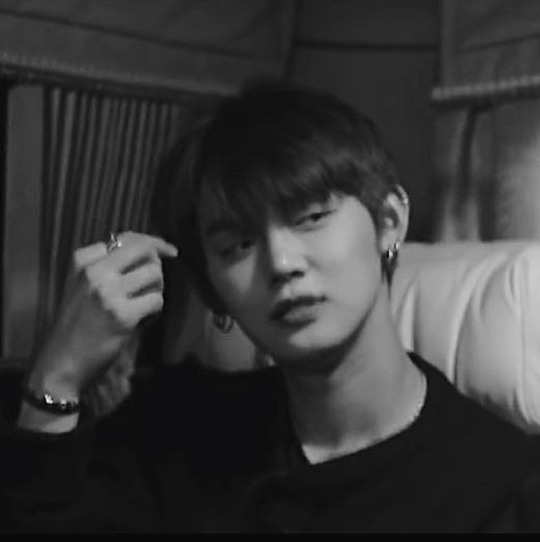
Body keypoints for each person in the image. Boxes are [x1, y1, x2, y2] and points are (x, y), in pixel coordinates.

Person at [2, 80, 540, 533]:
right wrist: (59, 373)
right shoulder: (178, 432)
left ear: (388, 222)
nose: (281, 263)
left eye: (310, 218)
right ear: (213, 290)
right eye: (238, 245)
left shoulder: (501, 488)